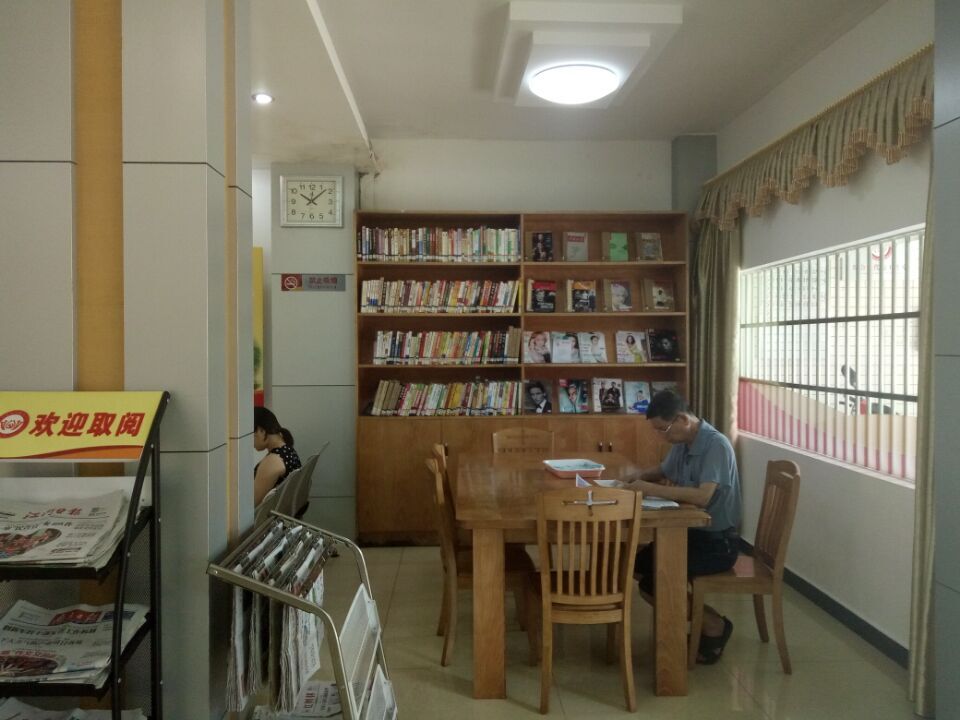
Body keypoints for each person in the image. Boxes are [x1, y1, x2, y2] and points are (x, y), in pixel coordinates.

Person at [622, 390, 741, 665]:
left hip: (717, 543)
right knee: (635, 565)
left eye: (662, 429)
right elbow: (663, 471)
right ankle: (680, 618)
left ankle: (713, 625)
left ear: (682, 420)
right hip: (689, 533)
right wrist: (633, 478)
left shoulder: (716, 446)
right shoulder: (683, 442)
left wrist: (648, 488)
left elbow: (703, 497)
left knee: (655, 583)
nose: (660, 436)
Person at [254, 406, 302, 505]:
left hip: (267, 513)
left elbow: (252, 503)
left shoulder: (272, 462)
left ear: (261, 431)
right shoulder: (287, 449)